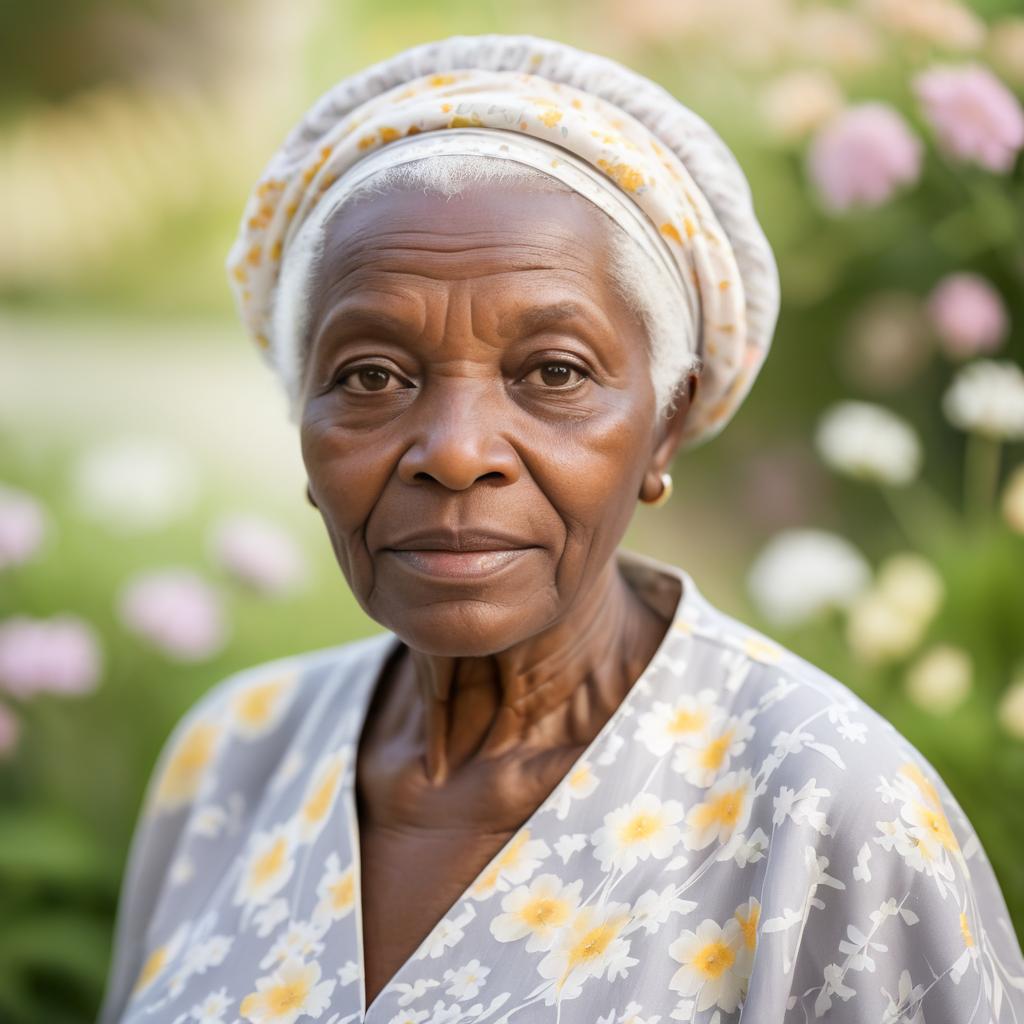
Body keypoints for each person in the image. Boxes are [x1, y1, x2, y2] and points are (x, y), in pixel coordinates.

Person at [97, 33, 1024, 1024]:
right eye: (370, 376)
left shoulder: (833, 812)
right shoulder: (234, 757)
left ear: (666, 421)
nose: (454, 453)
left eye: (555, 372)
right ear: (304, 424)